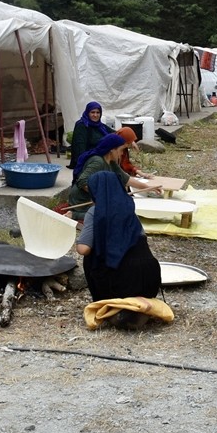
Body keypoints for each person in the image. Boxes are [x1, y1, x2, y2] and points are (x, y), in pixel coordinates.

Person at [74, 171, 162, 310]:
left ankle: (106, 301)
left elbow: (83, 249)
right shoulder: (128, 207)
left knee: (91, 256)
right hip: (149, 280)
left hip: (122, 285)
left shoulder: (95, 212)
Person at [66, 132, 159, 220]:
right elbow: (82, 181)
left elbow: (126, 179)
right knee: (112, 214)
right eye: (121, 150)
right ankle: (75, 214)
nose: (122, 153)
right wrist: (101, 196)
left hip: (95, 199)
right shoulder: (98, 161)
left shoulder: (111, 162)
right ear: (112, 150)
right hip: (82, 200)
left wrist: (149, 188)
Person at [69, 101, 112, 170]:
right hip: (88, 159)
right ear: (87, 113)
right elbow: (80, 149)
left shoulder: (100, 126)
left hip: (100, 156)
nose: (95, 115)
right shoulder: (82, 126)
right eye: (92, 112)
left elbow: (115, 134)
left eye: (98, 112)